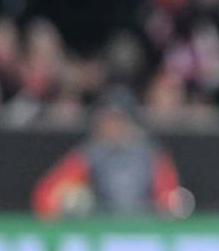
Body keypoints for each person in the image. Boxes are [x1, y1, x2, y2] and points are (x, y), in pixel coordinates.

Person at [32, 88, 187, 218]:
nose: (111, 126)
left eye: (117, 120)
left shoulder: (150, 154)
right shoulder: (90, 154)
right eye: (107, 120)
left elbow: (170, 199)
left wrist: (165, 210)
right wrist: (69, 204)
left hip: (144, 232)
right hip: (100, 230)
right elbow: (46, 196)